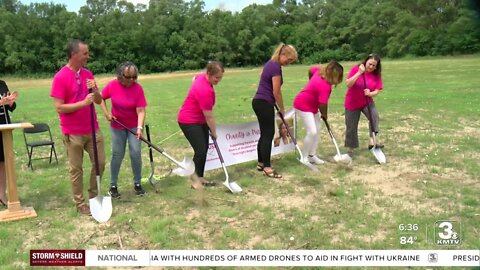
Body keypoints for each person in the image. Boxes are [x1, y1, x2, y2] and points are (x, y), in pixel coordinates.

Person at [50, 39, 106, 216]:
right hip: (72, 132)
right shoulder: (60, 77)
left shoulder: (88, 74)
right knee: (76, 169)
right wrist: (82, 103)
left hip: (92, 128)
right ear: (74, 55)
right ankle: (80, 203)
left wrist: (95, 92)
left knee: (100, 163)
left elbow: (98, 100)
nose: (87, 57)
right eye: (85, 53)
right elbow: (59, 107)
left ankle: (93, 197)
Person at [100, 62, 147, 199]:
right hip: (117, 126)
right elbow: (101, 98)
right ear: (120, 76)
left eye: (135, 77)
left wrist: (139, 128)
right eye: (129, 77)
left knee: (136, 152)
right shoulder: (112, 85)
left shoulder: (138, 89)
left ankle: (137, 183)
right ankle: (113, 186)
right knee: (117, 154)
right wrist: (107, 114)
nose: (132, 80)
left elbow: (141, 110)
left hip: (133, 126)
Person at [252, 43, 297, 179]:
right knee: (268, 134)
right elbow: (276, 92)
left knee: (264, 134)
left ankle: (261, 163)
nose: (288, 63)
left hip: (259, 102)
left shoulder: (270, 63)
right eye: (288, 60)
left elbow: (263, 77)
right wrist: (282, 108)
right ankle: (267, 167)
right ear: (282, 55)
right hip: (264, 103)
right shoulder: (276, 66)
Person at [178, 61, 224, 190]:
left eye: (221, 77)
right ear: (209, 73)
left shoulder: (201, 77)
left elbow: (194, 77)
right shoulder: (205, 91)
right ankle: (194, 181)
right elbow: (209, 116)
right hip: (188, 120)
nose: (219, 80)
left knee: (204, 149)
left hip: (199, 120)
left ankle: (200, 176)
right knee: (200, 150)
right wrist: (214, 132)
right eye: (217, 77)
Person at [293, 61, 344, 164]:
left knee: (317, 129)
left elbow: (311, 69)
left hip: (312, 106)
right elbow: (323, 104)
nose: (338, 80)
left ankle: (312, 155)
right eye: (337, 77)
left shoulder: (318, 72)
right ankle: (304, 157)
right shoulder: (325, 86)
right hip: (302, 105)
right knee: (312, 131)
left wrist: (311, 83)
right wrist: (325, 115)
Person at [344, 53, 384, 153]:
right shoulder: (356, 69)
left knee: (374, 117)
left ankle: (372, 140)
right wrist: (359, 73)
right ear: (365, 61)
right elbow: (348, 84)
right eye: (370, 64)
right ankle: (351, 147)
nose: (371, 67)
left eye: (374, 65)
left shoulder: (376, 74)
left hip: (367, 102)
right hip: (352, 102)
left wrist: (370, 93)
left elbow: (377, 90)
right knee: (351, 126)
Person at [0, 81, 17, 207]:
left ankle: (2, 194)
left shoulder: (2, 84)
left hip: (4, 128)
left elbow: (11, 107)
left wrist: (11, 102)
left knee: (3, 161)